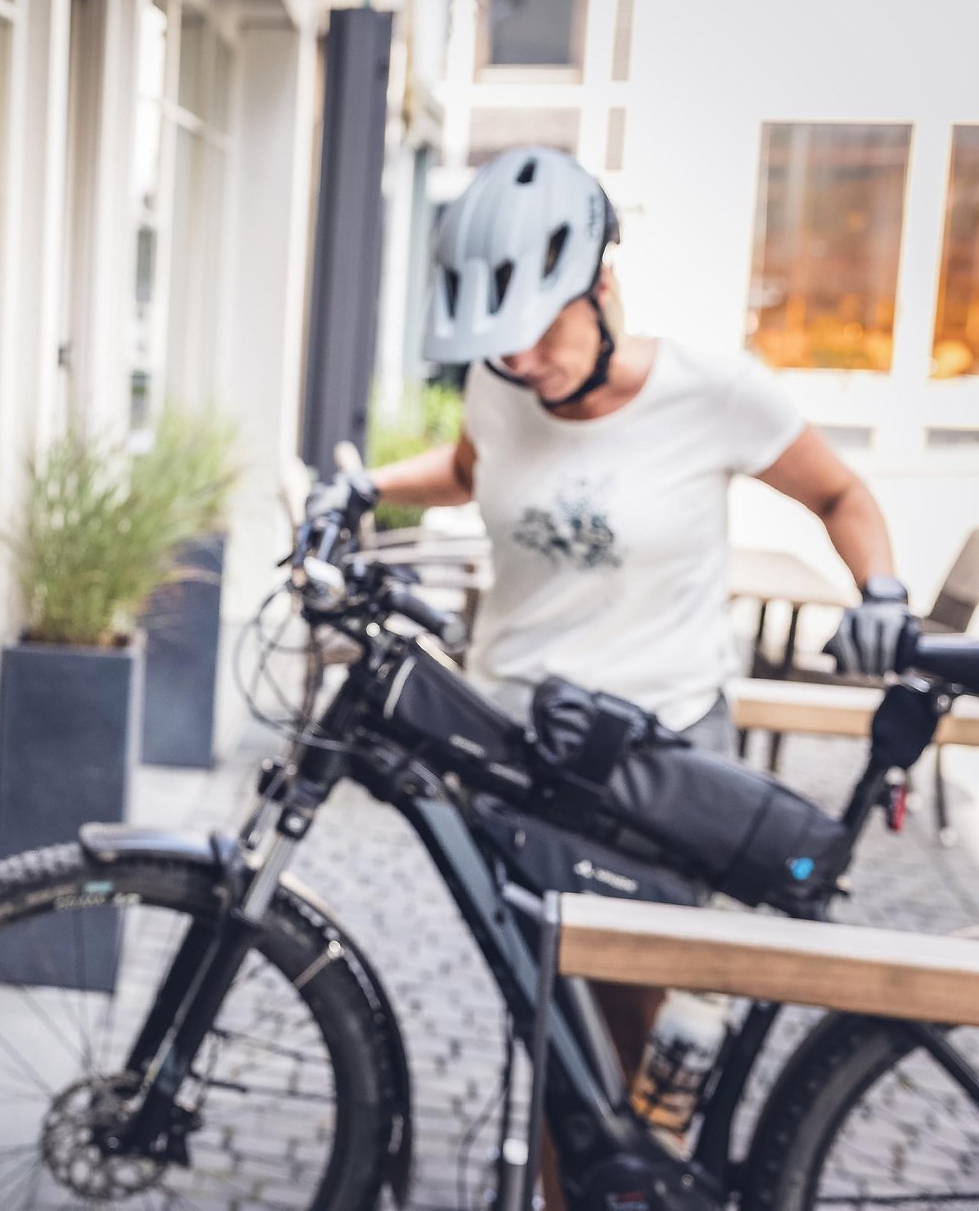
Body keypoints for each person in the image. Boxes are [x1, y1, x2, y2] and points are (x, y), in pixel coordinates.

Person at [311, 146, 911, 1199]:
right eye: (504, 345)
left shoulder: (710, 391)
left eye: (546, 331)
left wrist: (883, 596)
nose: (528, 362)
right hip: (517, 747)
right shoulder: (505, 388)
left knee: (631, 1029)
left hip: (657, 751)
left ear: (603, 285)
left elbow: (842, 494)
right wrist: (363, 488)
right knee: (563, 1047)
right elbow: (466, 470)